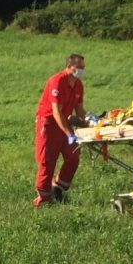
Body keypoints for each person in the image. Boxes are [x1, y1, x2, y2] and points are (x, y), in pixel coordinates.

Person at [33, 53, 88, 206]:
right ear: (69, 67)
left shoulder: (78, 85)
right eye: (79, 67)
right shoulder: (56, 81)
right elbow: (56, 111)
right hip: (49, 123)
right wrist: (69, 133)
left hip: (65, 123)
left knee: (73, 157)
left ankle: (58, 188)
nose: (82, 70)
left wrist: (90, 122)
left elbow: (79, 109)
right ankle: (43, 197)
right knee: (47, 160)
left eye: (83, 67)